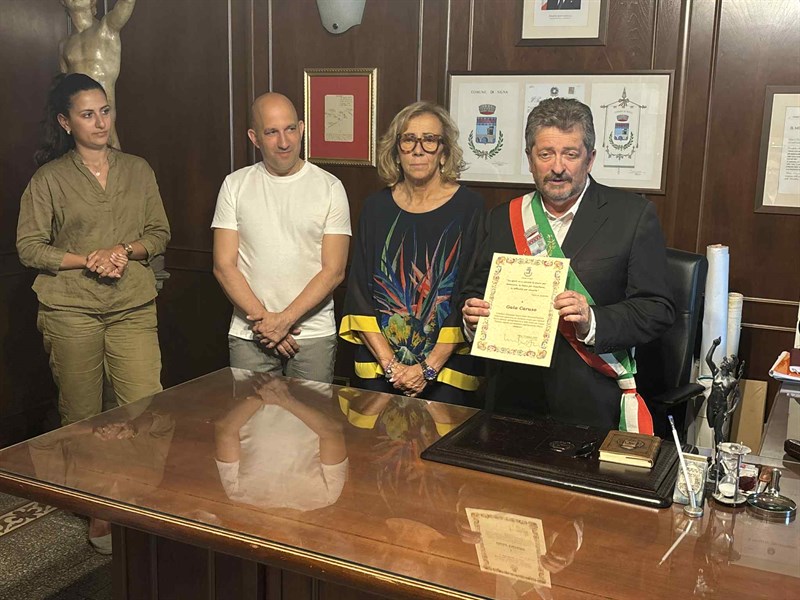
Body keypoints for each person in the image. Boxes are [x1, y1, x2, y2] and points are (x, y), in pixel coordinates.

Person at [16, 72, 170, 550]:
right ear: (66, 122)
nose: (101, 122)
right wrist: (88, 259)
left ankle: (142, 501)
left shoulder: (138, 169)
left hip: (132, 306)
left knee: (147, 404)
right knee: (82, 414)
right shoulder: (49, 179)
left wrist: (123, 251)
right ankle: (99, 510)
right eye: (88, 114)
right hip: (70, 310)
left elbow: (159, 233)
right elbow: (29, 247)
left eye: (105, 111)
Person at [461, 98, 674, 433]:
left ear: (590, 159)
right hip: (511, 400)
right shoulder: (503, 218)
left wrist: (592, 320)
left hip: (592, 401)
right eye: (545, 154)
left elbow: (656, 309)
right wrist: (472, 318)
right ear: (529, 158)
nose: (557, 167)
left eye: (570, 154)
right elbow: (475, 290)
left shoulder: (631, 216)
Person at [340, 102, 484, 405]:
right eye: (408, 140)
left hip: (447, 370)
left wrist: (428, 368)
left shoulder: (470, 208)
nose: (418, 150)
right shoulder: (375, 208)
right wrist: (391, 366)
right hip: (379, 368)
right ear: (397, 151)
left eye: (429, 140)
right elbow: (360, 293)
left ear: (444, 151)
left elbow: (470, 293)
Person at [212, 93, 351, 384]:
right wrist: (267, 323)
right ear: (254, 138)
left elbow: (334, 270)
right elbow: (224, 266)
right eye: (271, 132)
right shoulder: (235, 185)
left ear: (302, 128)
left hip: (312, 334)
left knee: (311, 414)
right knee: (252, 414)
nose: (284, 142)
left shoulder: (330, 187)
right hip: (251, 333)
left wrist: (284, 320)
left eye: (290, 129)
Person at [59, 0, 136, 149]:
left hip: (105, 118)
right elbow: (62, 89)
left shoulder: (107, 28)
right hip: (77, 123)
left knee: (111, 155)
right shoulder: (64, 45)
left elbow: (127, 2)